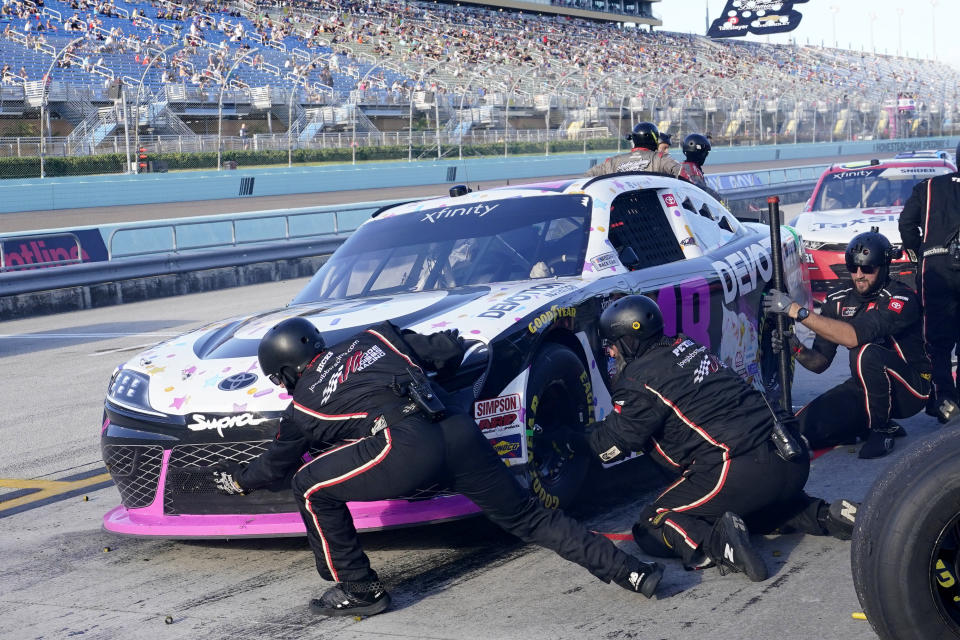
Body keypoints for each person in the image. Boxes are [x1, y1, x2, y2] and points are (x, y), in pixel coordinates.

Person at [211, 317, 663, 617]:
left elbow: (277, 466)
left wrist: (239, 482)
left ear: (286, 370)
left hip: (403, 447)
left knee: (311, 486)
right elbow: (449, 348)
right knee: (530, 519)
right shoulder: (375, 337)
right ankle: (630, 572)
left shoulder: (303, 405)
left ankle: (358, 589)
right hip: (458, 431)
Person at [584, 295, 858, 582]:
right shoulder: (686, 345)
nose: (611, 353)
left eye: (612, 344)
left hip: (741, 469)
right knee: (750, 509)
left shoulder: (638, 380)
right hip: (790, 454)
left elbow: (612, 444)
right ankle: (826, 515)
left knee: (652, 523)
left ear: (629, 341)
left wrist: (570, 439)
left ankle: (717, 544)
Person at [764, 230, 931, 459]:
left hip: (912, 389)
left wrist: (798, 311)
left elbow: (853, 337)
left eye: (868, 269)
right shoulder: (838, 300)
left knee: (865, 352)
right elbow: (820, 362)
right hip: (865, 386)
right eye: (854, 268)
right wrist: (795, 347)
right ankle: (868, 423)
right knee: (802, 429)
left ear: (883, 267)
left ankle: (880, 430)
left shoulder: (901, 298)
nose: (859, 275)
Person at [898, 142, 960, 423]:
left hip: (935, 267)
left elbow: (906, 224)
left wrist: (916, 252)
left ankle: (945, 399)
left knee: (937, 341)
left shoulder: (929, 186)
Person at [585, 121, 682, 178]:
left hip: (622, 210)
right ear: (654, 139)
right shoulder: (660, 158)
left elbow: (587, 176)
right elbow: (683, 173)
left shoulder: (612, 161)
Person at [678, 133, 723, 202]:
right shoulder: (692, 169)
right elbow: (699, 193)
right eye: (706, 153)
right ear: (700, 153)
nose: (706, 156)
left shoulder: (684, 166)